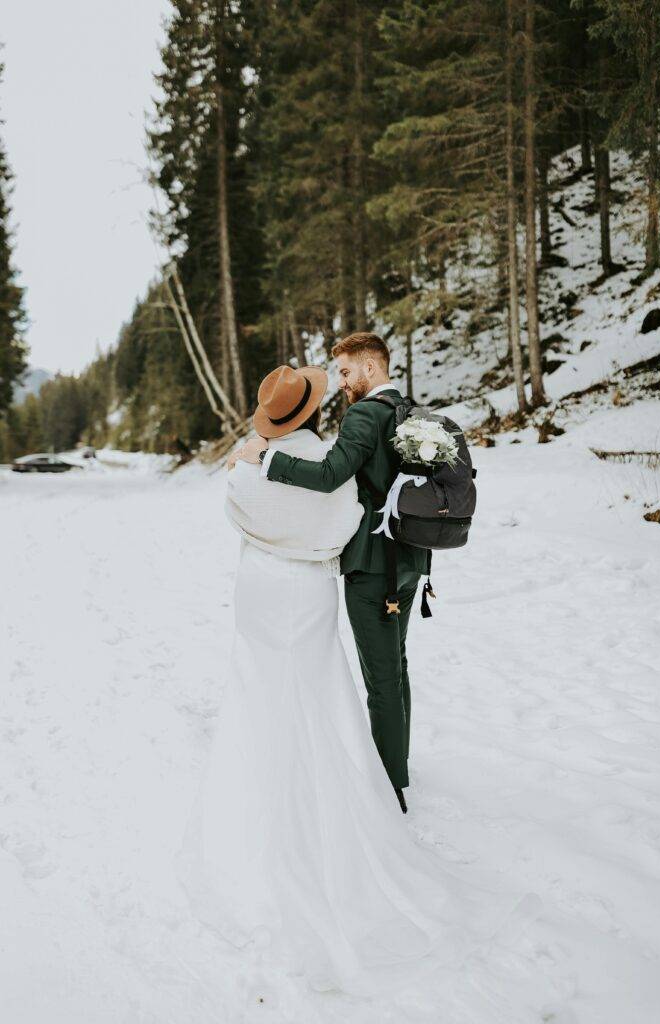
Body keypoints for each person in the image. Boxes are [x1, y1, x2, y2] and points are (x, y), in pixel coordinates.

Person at [175, 362, 521, 995]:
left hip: (261, 590)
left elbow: (238, 516)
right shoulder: (374, 431)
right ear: (311, 410)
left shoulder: (254, 466)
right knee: (330, 683)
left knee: (260, 684)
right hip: (322, 587)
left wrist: (256, 476)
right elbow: (340, 529)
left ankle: (277, 774)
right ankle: (378, 779)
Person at [236, 332, 427, 812]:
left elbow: (328, 477)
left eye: (345, 371)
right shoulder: (407, 409)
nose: (341, 382)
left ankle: (390, 788)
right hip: (410, 560)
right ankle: (397, 766)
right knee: (396, 668)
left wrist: (267, 458)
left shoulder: (366, 414)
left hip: (372, 566)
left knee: (380, 678)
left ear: (369, 366)